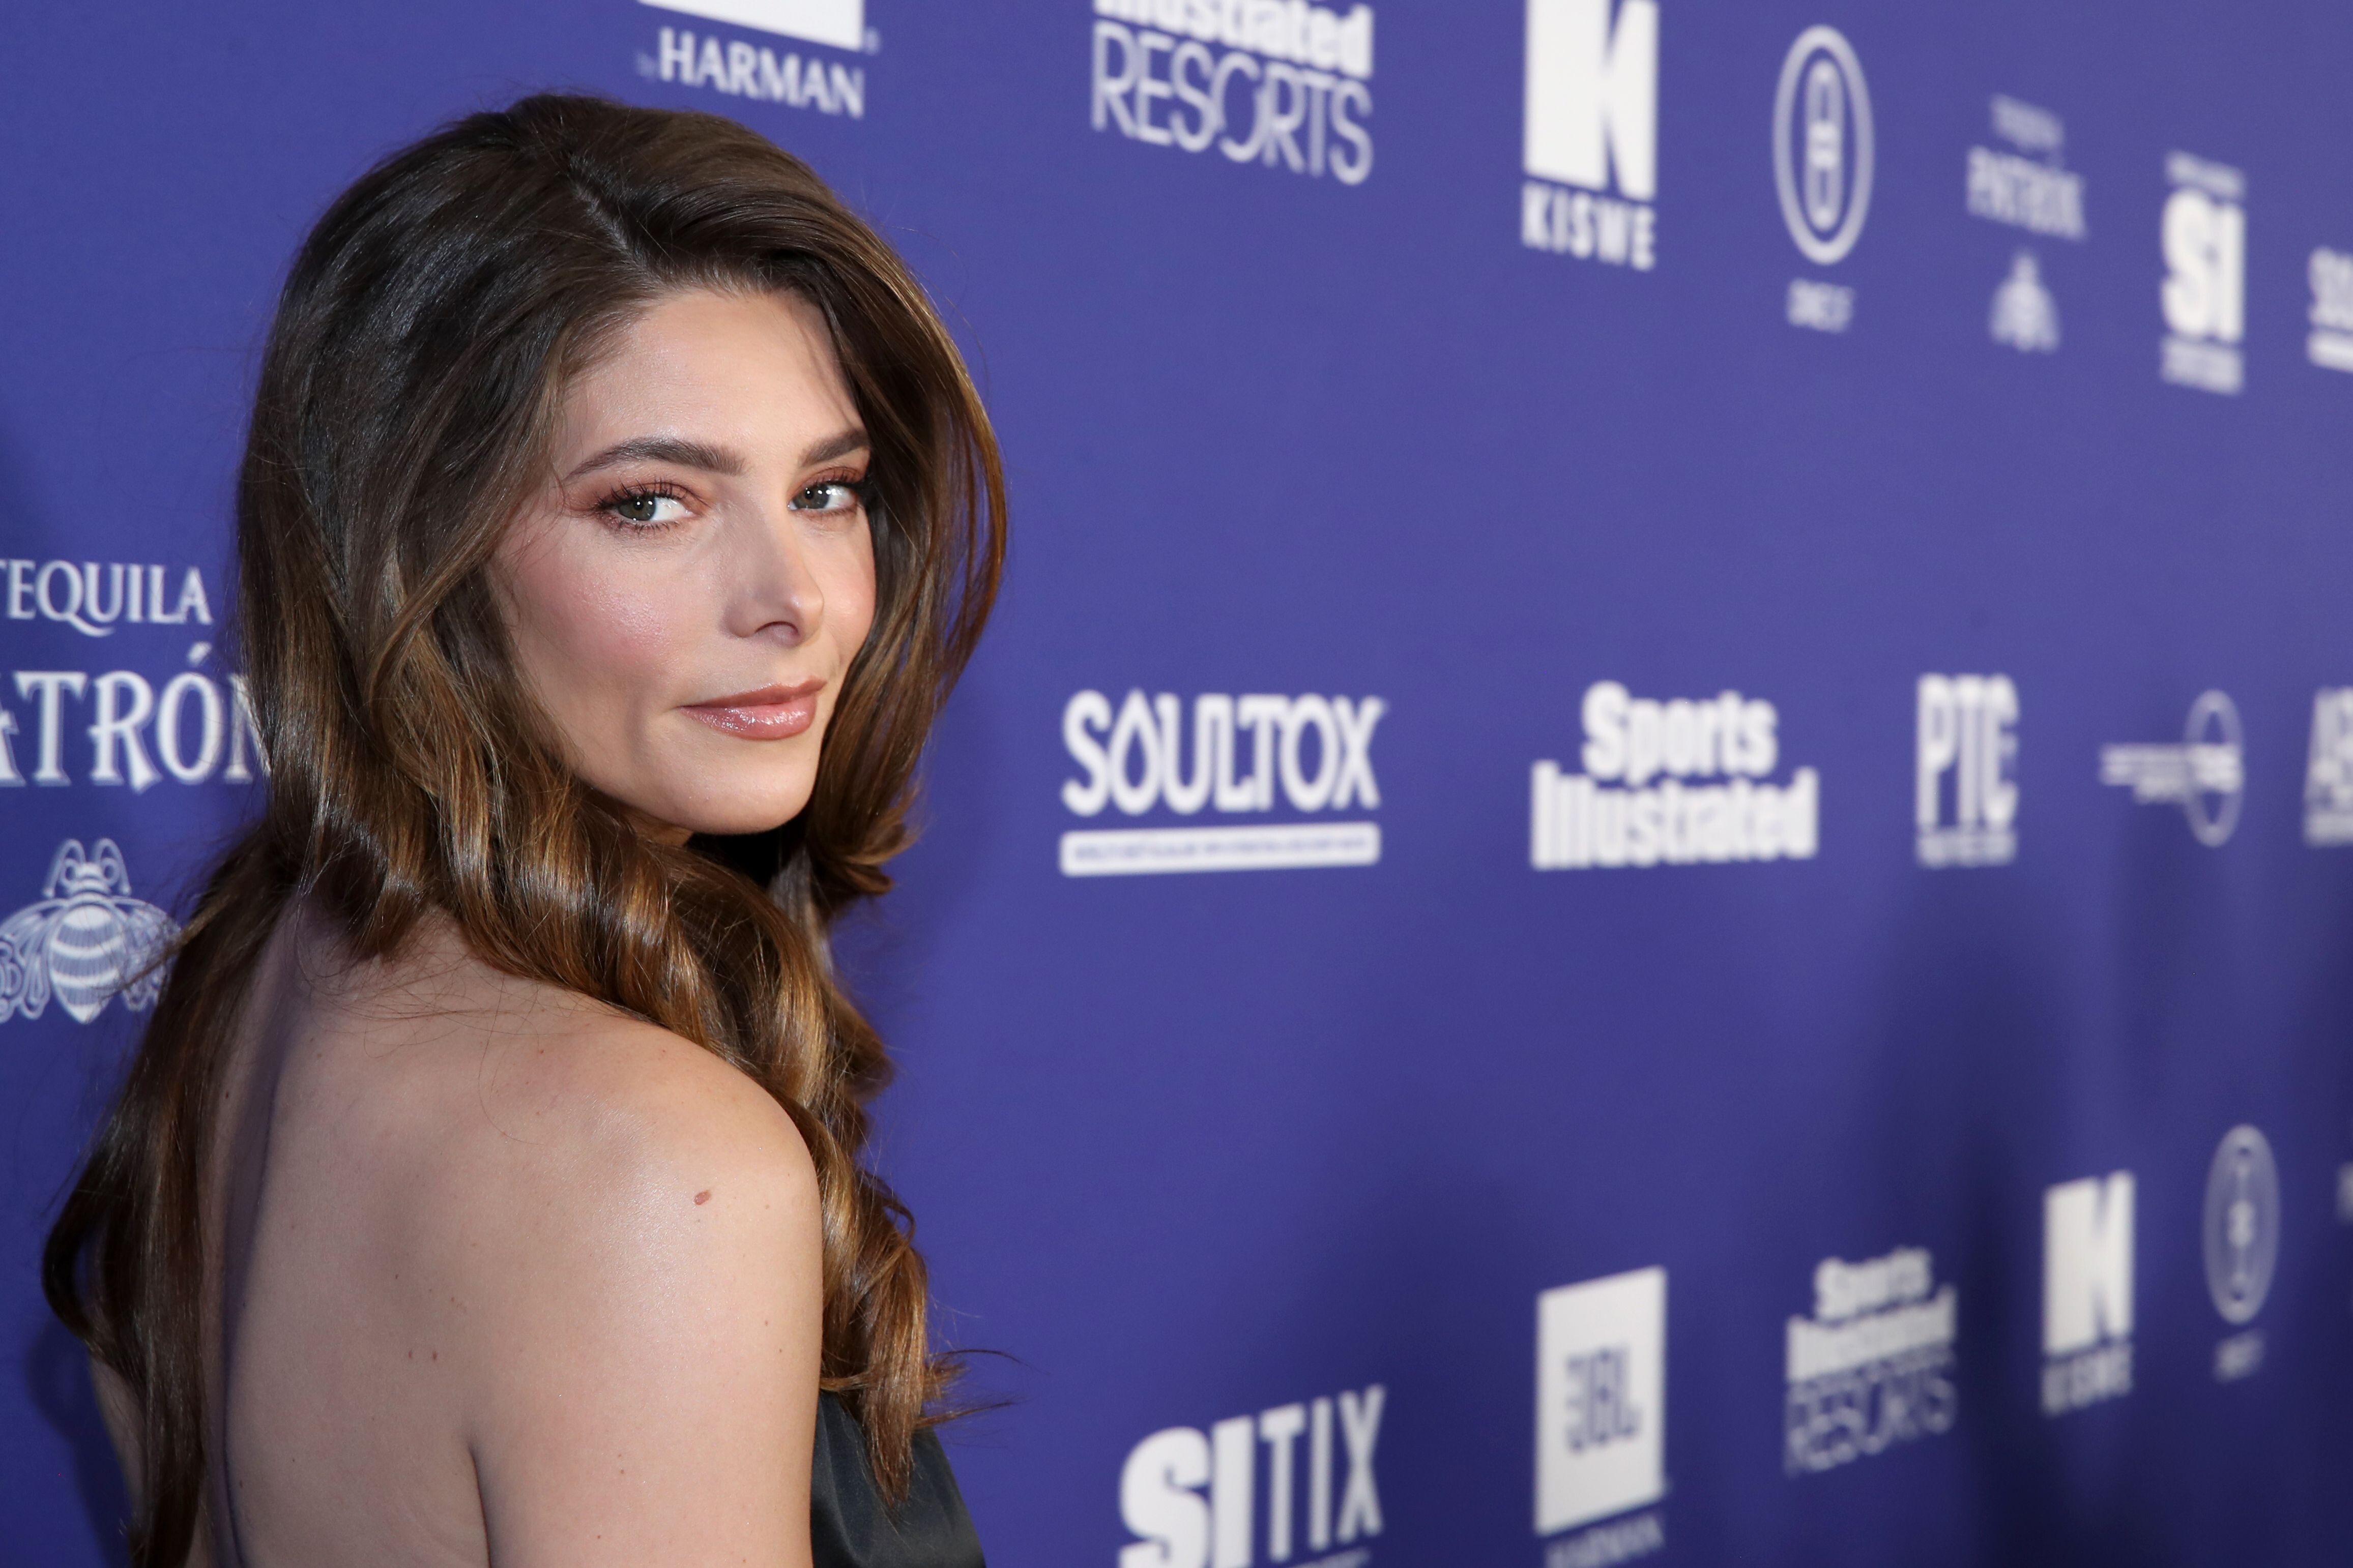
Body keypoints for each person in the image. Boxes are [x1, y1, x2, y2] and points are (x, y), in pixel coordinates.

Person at [42, 93, 1003, 1568]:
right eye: (651, 504)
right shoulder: (655, 1168)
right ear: (414, 550)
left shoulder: (252, 967)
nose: (796, 599)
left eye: (826, 490)